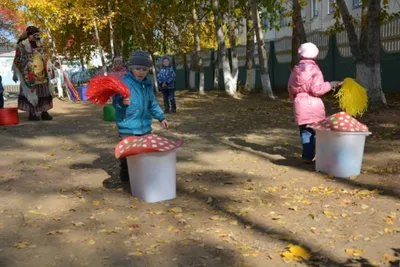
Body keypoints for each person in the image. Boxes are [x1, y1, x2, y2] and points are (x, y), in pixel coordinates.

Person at [112, 50, 169, 181]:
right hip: (128, 126)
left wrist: (161, 117)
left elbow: (152, 104)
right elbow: (115, 101)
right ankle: (125, 172)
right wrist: (121, 101)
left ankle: (141, 174)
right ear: (131, 69)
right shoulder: (124, 83)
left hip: (144, 127)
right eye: (138, 69)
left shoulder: (147, 84)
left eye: (144, 69)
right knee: (128, 153)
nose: (141, 72)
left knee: (143, 152)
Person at [288, 42, 343, 163]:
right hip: (314, 104)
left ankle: (307, 156)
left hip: (300, 104)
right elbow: (317, 90)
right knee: (318, 131)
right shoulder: (315, 70)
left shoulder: (295, 71)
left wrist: (296, 99)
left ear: (300, 55)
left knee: (305, 131)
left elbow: (290, 88)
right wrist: (331, 84)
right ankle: (322, 155)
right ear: (315, 56)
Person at [12, 26, 53, 121]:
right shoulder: (22, 45)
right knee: (31, 93)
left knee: (43, 92)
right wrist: (16, 72)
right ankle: (32, 114)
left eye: (38, 35)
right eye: (35, 35)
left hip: (42, 74)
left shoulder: (40, 44)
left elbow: (45, 56)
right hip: (29, 74)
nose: (37, 37)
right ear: (29, 36)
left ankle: (44, 112)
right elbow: (18, 59)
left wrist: (50, 67)